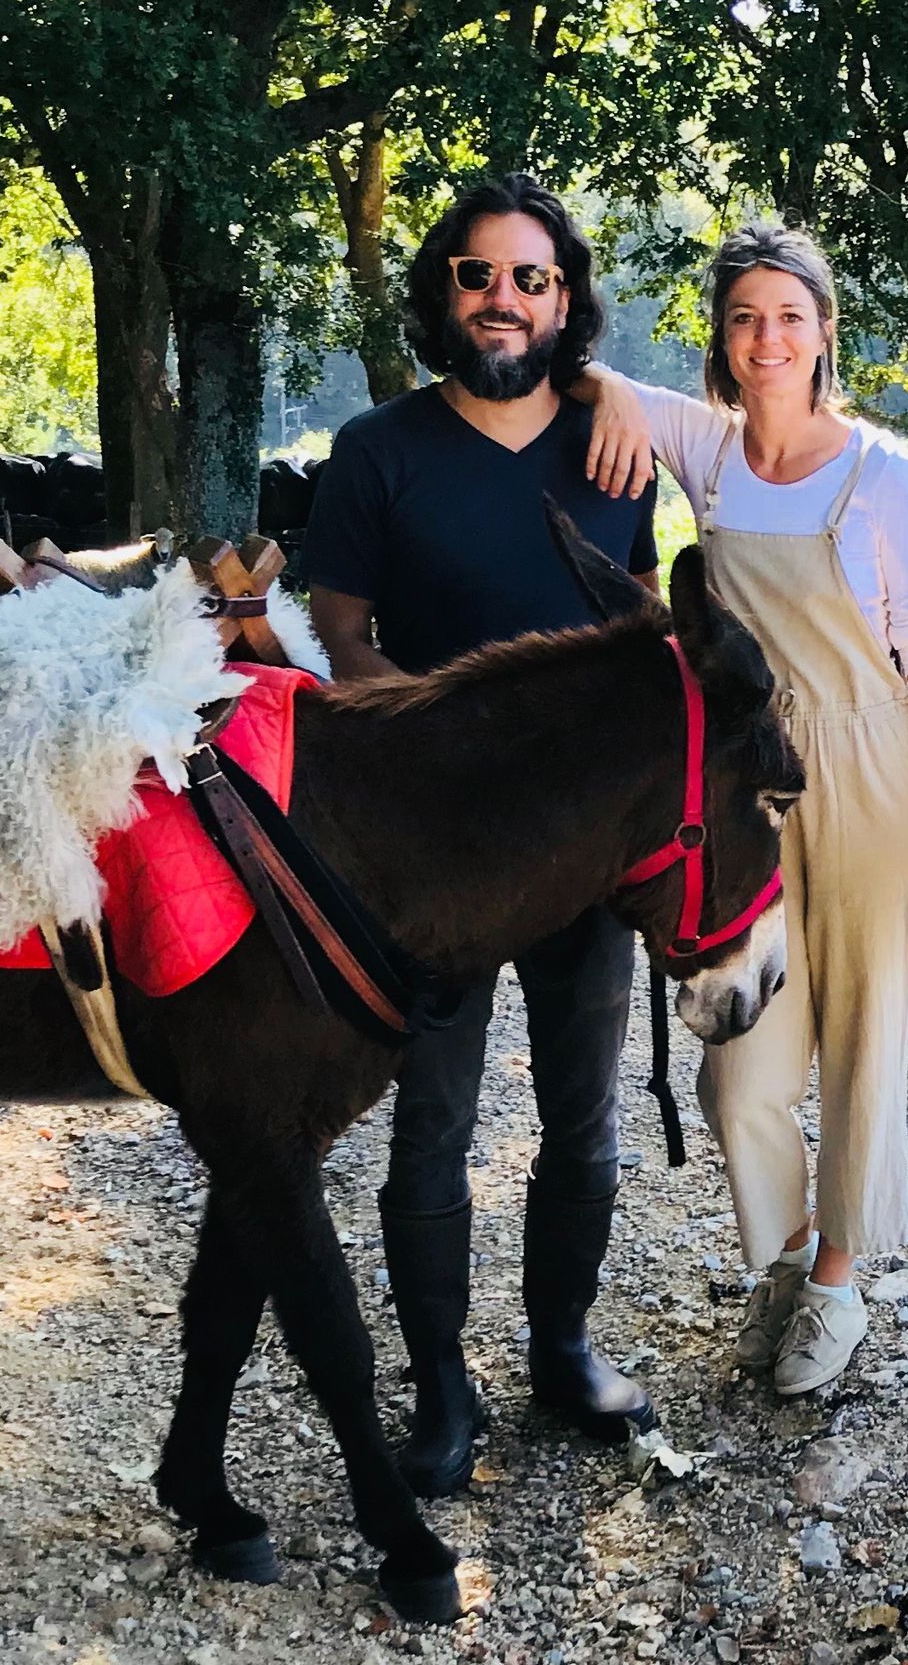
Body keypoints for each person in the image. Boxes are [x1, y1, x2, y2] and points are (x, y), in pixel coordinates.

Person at [577, 223, 908, 1396]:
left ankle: (834, 1284)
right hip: (745, 790)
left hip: (870, 776)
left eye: (790, 316)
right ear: (721, 341)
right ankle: (777, 1259)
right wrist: (614, 387)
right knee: (740, 1066)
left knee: (868, 1038)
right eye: (743, 318)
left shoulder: (882, 476)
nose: (767, 338)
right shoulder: (706, 453)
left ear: (825, 333)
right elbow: (578, 363)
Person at [303, 174, 661, 1496]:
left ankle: (562, 1352)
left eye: (530, 278)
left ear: (565, 300)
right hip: (434, 862)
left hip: (583, 858)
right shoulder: (378, 453)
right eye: (476, 273)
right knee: (432, 1129)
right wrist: (413, 732)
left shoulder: (614, 450)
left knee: (584, 1122)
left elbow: (649, 652)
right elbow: (334, 632)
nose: (501, 299)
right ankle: (442, 1390)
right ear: (439, 291)